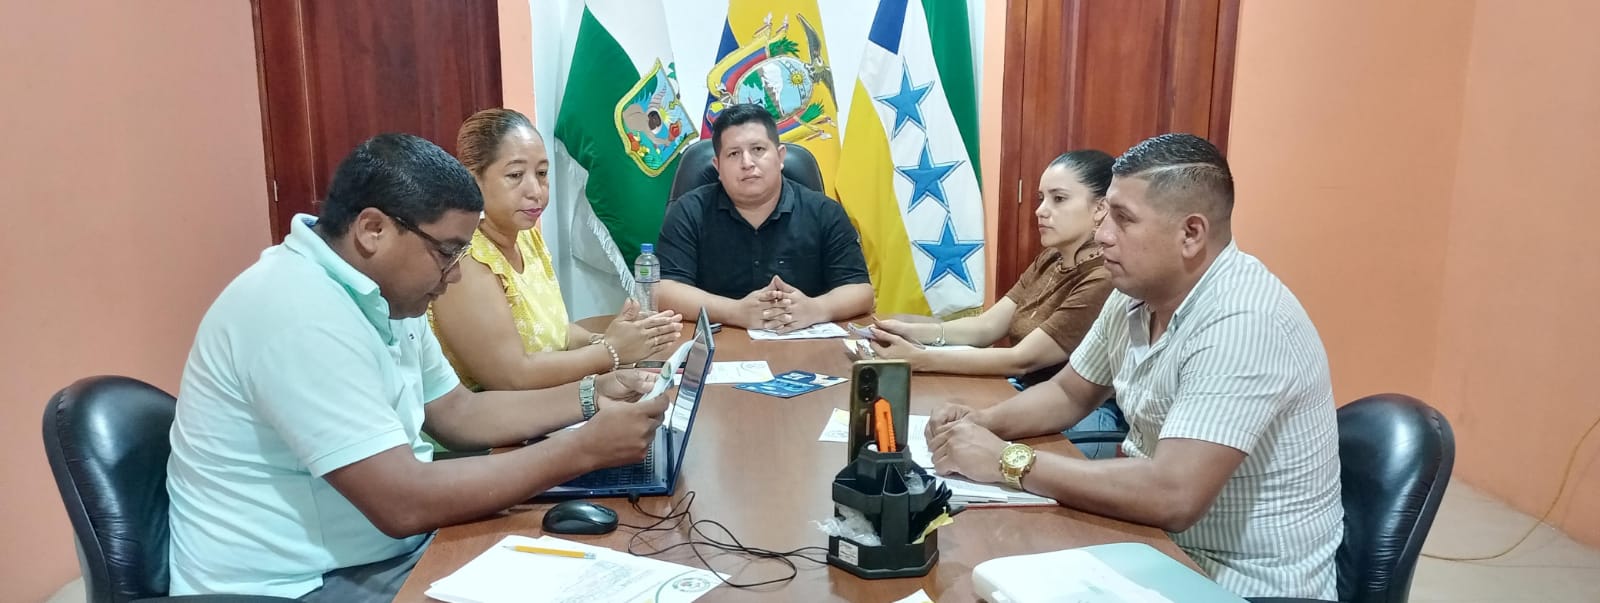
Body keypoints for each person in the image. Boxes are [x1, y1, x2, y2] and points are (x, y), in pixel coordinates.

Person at [166, 133, 672, 601]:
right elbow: (401, 502)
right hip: (297, 585)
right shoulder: (296, 311)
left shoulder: (383, 294)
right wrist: (583, 449)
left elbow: (457, 413)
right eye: (447, 253)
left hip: (382, 552)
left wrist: (591, 395)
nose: (454, 277)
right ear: (373, 230)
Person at [925, 134, 1343, 598]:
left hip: (1240, 581)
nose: (1102, 234)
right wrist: (979, 424)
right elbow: (1069, 393)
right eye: (1105, 214)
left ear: (1191, 234)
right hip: (1151, 547)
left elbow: (1173, 494)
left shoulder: (1243, 319)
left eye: (1123, 219)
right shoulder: (1135, 293)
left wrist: (1007, 460)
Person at [854, 150, 1121, 456]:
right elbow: (988, 326)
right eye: (1041, 198)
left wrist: (920, 359)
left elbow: (1022, 359)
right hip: (1024, 394)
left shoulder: (1104, 277)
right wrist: (911, 332)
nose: (1040, 211)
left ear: (1100, 208)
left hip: (1076, 417)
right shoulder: (1051, 258)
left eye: (1058, 199)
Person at [428, 108, 680, 391]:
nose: (536, 190)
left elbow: (555, 333)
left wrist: (610, 339)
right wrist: (611, 351)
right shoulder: (466, 261)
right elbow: (512, 377)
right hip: (499, 414)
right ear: (473, 180)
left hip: (548, 401)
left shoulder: (528, 238)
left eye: (542, 173)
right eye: (515, 175)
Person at [654, 103, 874, 332]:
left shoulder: (824, 212)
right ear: (717, 167)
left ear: (780, 157)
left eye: (758, 149)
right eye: (734, 154)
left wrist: (815, 309)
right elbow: (663, 291)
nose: (747, 163)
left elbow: (860, 290)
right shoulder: (689, 211)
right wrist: (735, 312)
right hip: (720, 345)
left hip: (805, 342)